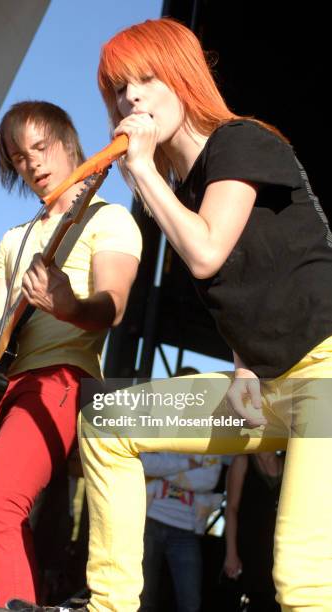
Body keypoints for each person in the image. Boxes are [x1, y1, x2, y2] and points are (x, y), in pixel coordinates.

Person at [76, 17, 332, 612]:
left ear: (184, 76)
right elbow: (253, 283)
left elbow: (208, 251)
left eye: (146, 77)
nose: (130, 97)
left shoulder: (241, 140)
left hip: (324, 373)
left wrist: (141, 172)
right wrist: (245, 364)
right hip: (267, 388)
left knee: (301, 581)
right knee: (107, 420)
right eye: (118, 87)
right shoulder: (186, 190)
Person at [0, 100, 142, 607]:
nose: (34, 163)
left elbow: (112, 305)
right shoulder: (15, 238)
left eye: (41, 148)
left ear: (70, 144)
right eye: (20, 157)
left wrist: (68, 305)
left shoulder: (109, 221)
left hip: (59, 381)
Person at [140, 452, 221, 612]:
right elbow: (143, 463)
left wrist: (163, 469)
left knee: (191, 603)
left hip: (186, 530)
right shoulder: (158, 429)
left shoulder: (209, 440)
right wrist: (187, 465)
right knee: (142, 598)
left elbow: (209, 480)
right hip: (149, 521)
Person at [224, 452, 284, 612]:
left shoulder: (287, 462)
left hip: (275, 553)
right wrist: (231, 553)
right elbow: (231, 508)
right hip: (246, 549)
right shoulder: (243, 460)